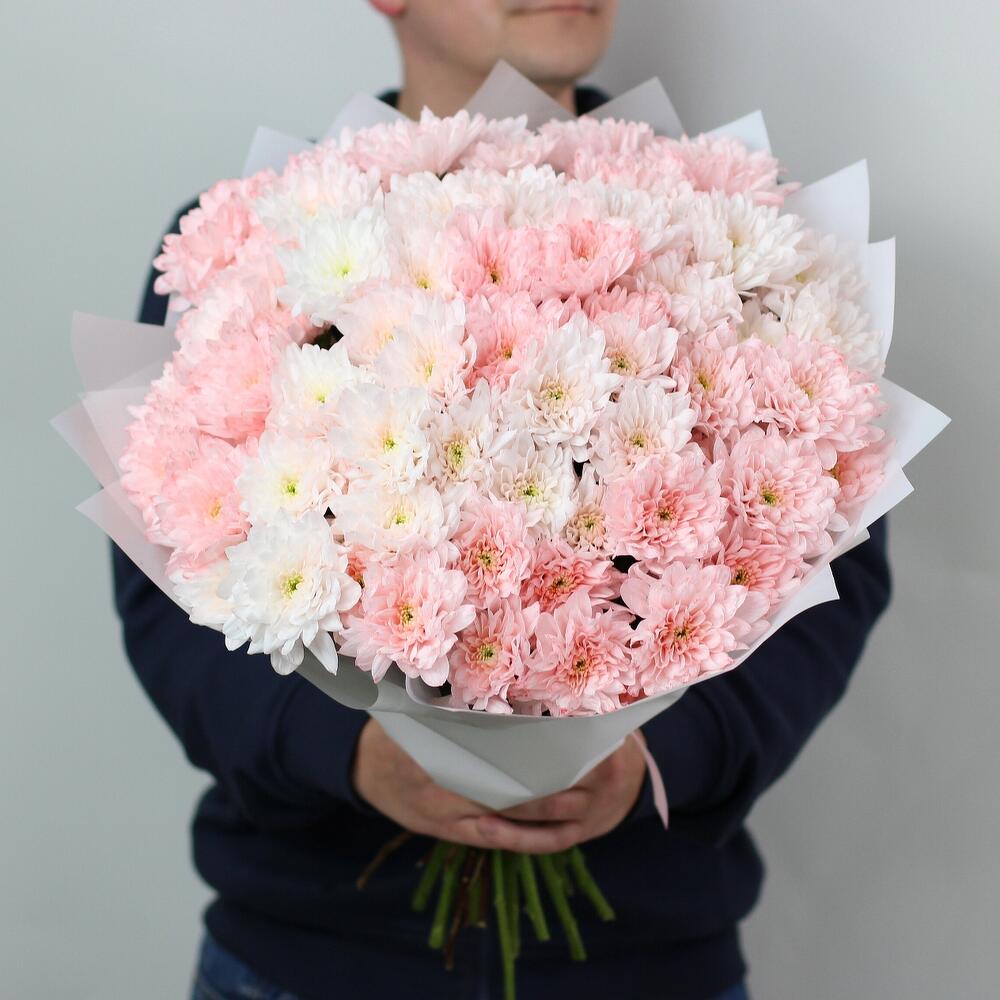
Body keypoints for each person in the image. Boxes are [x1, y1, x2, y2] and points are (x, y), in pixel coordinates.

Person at [112, 2, 892, 998]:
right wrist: (349, 751)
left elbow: (832, 565)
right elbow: (169, 591)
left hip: (644, 961)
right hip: (310, 954)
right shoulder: (259, 245)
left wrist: (653, 760)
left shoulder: (734, 244)